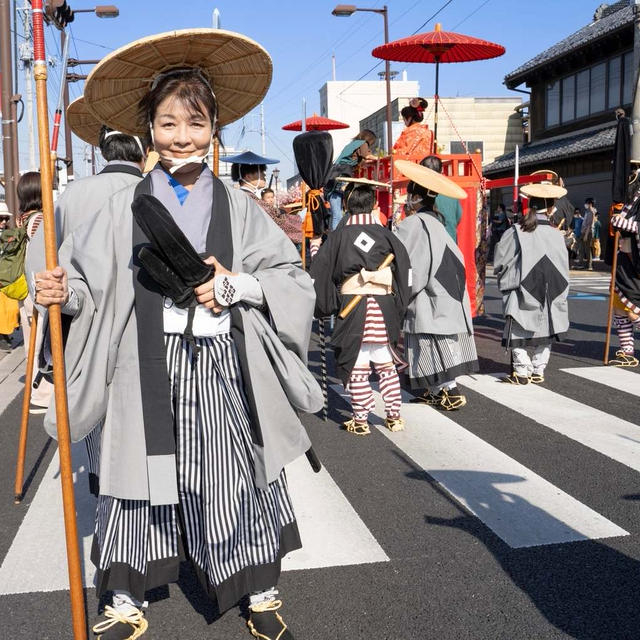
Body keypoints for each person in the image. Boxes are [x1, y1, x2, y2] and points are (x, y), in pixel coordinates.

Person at [33, 29, 320, 640]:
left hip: (220, 359)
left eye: (194, 123)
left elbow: (289, 276)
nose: (180, 137)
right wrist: (61, 295)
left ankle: (258, 589)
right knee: (134, 478)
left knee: (235, 476)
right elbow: (90, 285)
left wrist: (237, 286)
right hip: (143, 360)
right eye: (166, 124)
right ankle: (126, 598)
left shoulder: (240, 205)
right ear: (148, 130)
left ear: (214, 127)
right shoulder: (121, 206)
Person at [311, 177, 411, 434]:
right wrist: (399, 304)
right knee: (384, 362)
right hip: (384, 306)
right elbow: (405, 272)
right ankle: (394, 415)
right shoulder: (388, 235)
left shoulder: (338, 237)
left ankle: (361, 418)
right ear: (374, 204)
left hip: (352, 307)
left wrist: (325, 303)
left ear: (345, 205)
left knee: (357, 363)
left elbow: (321, 270)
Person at [395, 160, 478, 410]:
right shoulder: (438, 223)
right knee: (436, 343)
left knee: (431, 342)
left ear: (415, 198)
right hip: (447, 287)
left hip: (429, 292)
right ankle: (435, 390)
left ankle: (450, 390)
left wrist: (400, 295)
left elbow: (411, 266)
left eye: (410, 196)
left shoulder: (413, 224)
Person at [493, 183, 570, 384]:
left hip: (522, 285)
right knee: (547, 325)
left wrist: (505, 279)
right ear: (552, 208)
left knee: (518, 324)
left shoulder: (516, 231)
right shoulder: (556, 234)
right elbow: (563, 265)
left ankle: (522, 368)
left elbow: (501, 260)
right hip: (553, 286)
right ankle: (538, 368)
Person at [608, 189, 640, 367]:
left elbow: (634, 226)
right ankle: (627, 350)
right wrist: (617, 219)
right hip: (624, 262)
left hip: (636, 264)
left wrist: (627, 225)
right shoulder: (634, 197)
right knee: (619, 308)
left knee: (632, 310)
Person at [325, 129, 377, 230]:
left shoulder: (353, 144)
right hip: (343, 174)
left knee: (336, 213)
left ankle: (334, 234)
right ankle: (339, 235)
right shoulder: (363, 143)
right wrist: (378, 158)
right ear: (369, 139)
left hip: (333, 176)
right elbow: (368, 156)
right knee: (350, 208)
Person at [420, 155, 462, 241]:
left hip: (431, 241)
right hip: (451, 240)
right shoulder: (451, 190)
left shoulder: (423, 191)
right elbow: (458, 216)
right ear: (441, 171)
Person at [577, 197, 596, 270]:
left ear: (590, 204)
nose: (585, 204)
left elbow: (589, 224)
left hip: (588, 233)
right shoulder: (587, 211)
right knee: (582, 248)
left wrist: (586, 235)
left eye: (586, 203)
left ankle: (589, 265)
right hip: (583, 232)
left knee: (587, 249)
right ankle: (581, 264)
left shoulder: (591, 212)